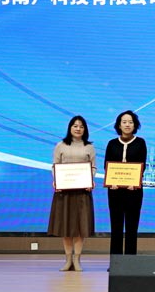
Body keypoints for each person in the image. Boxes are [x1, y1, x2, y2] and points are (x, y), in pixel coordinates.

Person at [47, 115, 96, 272]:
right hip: (64, 192)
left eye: (81, 126)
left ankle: (77, 260)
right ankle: (68, 260)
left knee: (80, 228)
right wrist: (56, 181)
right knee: (66, 227)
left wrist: (90, 180)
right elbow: (55, 165)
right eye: (75, 126)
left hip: (82, 193)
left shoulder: (89, 147)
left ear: (85, 129)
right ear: (70, 128)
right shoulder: (60, 145)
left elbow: (93, 167)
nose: (78, 129)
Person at [104, 110, 147, 256]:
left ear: (135, 125)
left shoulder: (140, 142)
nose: (127, 125)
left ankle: (130, 261)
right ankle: (115, 261)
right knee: (115, 226)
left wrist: (135, 181)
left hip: (134, 191)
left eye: (130, 122)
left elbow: (142, 165)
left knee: (132, 227)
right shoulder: (112, 143)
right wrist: (111, 181)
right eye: (124, 122)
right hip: (115, 191)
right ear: (119, 125)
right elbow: (107, 165)